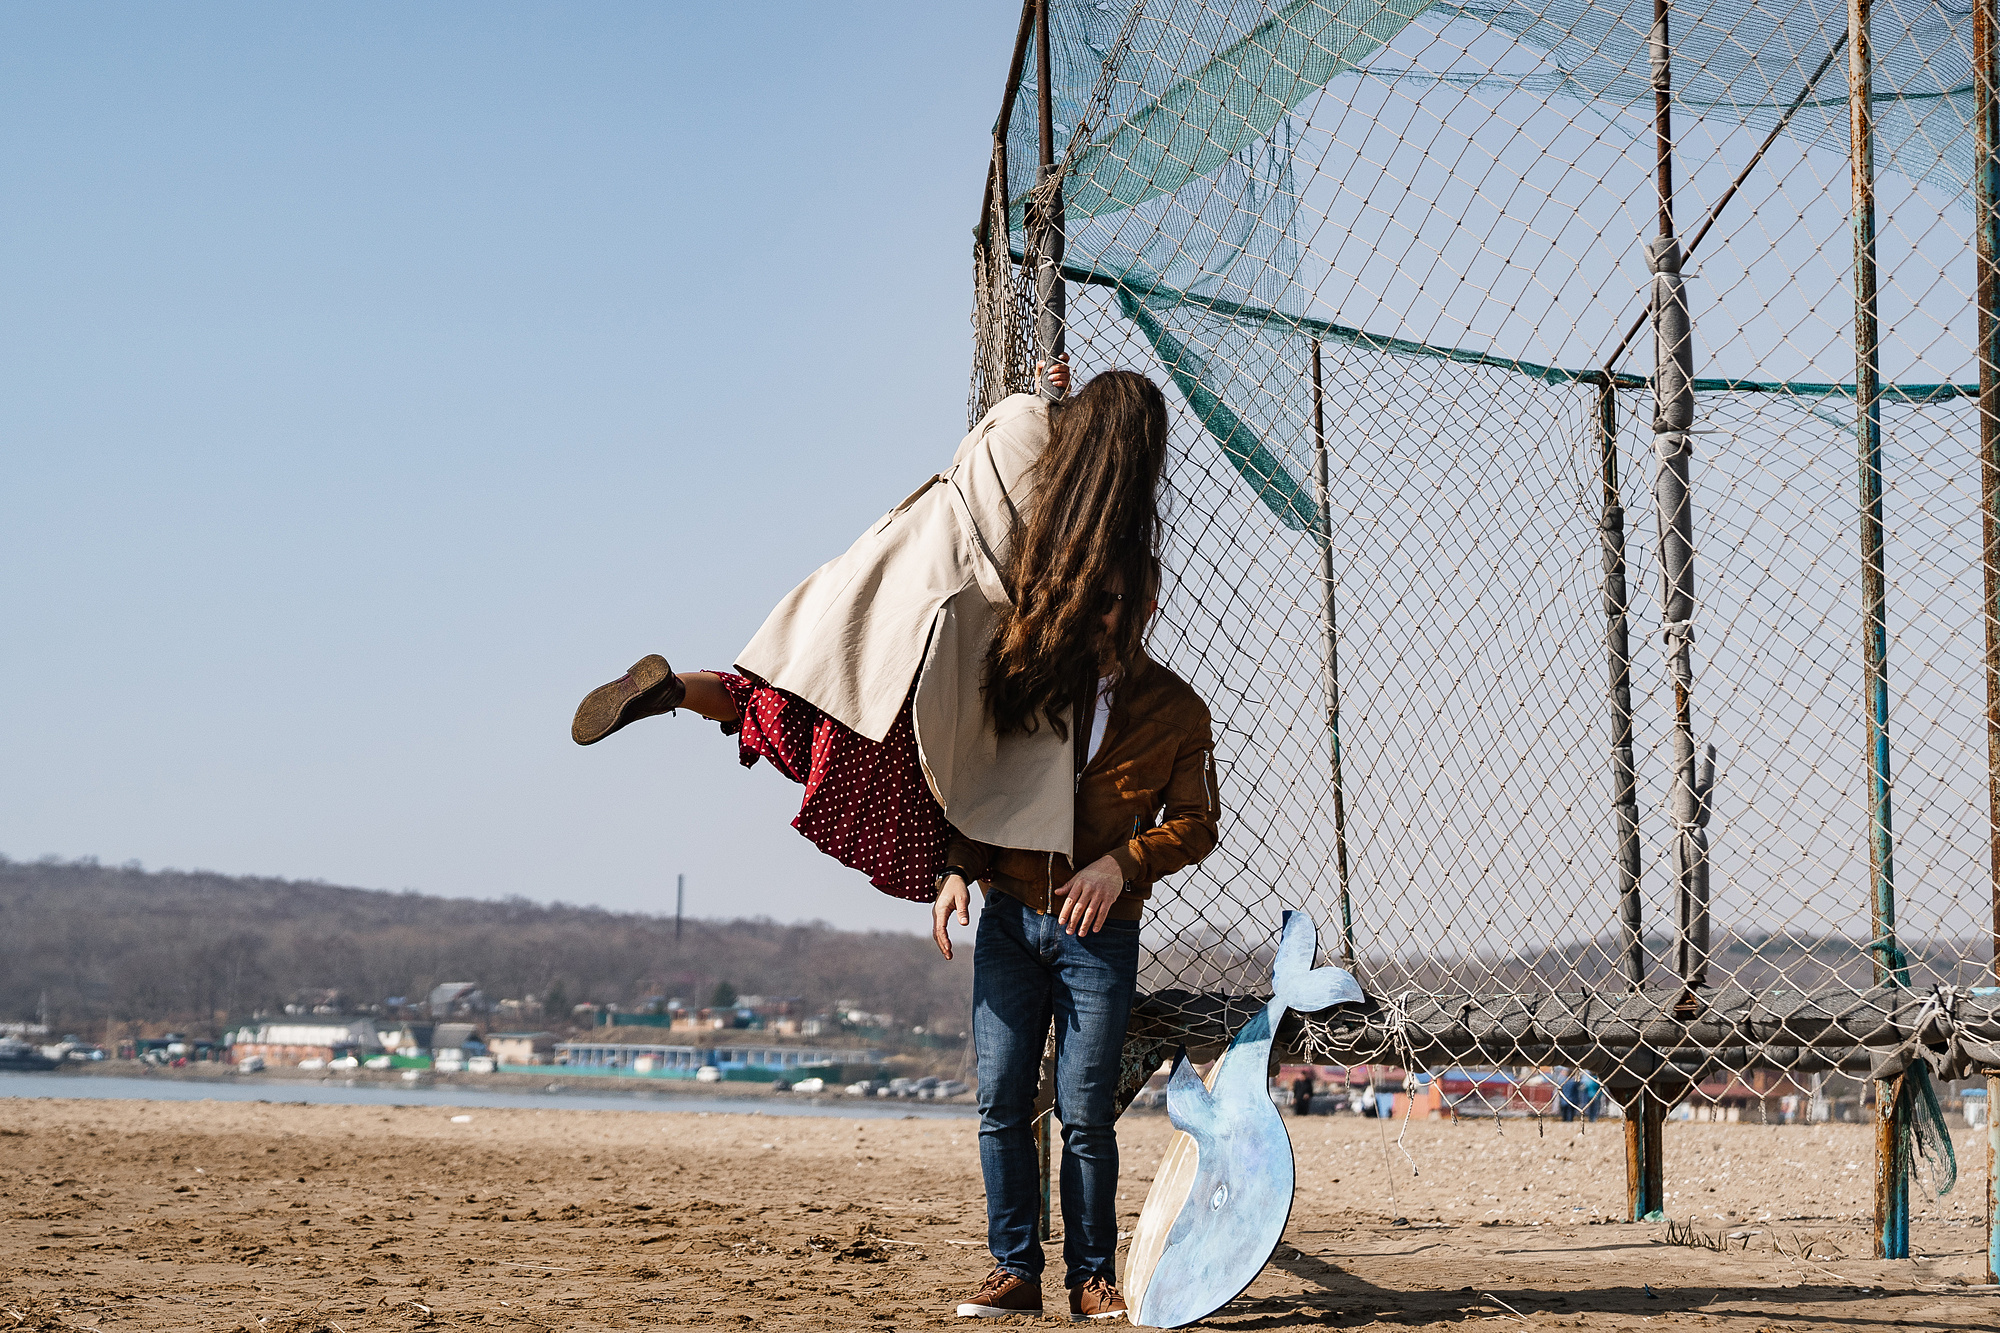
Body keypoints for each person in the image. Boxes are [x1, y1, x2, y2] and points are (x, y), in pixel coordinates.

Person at [568, 359, 1078, 902]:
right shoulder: (1064, 503)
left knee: (767, 701)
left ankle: (675, 688)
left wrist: (1045, 393)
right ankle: (956, 865)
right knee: (930, 802)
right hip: (921, 665)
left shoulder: (1000, 434)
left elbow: (991, 436)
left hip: (876, 589)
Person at [932, 544, 1221, 1319]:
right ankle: (1012, 1270)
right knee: (1000, 1099)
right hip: (1009, 921)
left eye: (1112, 602)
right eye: (1085, 600)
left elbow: (1197, 824)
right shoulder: (1028, 682)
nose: (1096, 617)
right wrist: (953, 869)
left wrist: (1122, 862)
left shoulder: (1177, 708)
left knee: (1085, 1112)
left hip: (1101, 935)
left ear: (1144, 607)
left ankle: (1091, 1275)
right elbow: (980, 786)